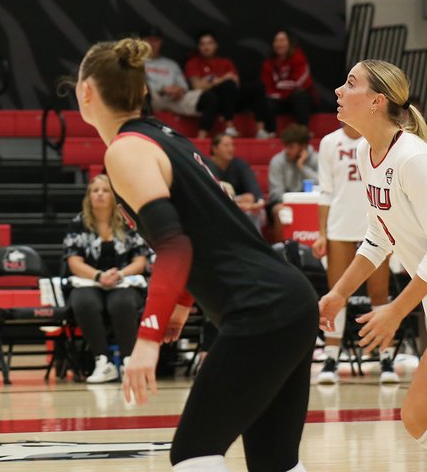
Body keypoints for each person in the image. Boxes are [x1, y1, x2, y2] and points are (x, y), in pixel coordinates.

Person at [74, 37, 318, 472]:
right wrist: (183, 303)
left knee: (194, 454)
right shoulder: (168, 137)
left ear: (85, 92)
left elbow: (175, 245)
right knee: (274, 461)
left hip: (260, 308)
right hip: (290, 301)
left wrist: (145, 342)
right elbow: (204, 228)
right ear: (143, 91)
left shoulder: (126, 150)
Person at [320, 60, 427, 467]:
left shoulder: (414, 159)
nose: (338, 91)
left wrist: (396, 311)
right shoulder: (367, 151)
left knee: (419, 418)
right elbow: (379, 237)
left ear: (377, 101)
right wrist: (339, 294)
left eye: (350, 83)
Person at [311, 121, 395, 385]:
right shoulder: (328, 142)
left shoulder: (379, 135)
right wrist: (322, 232)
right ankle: (331, 358)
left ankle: (386, 357)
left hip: (375, 226)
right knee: (337, 293)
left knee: (379, 293)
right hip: (339, 227)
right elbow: (325, 190)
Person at [62, 173, 151, 385]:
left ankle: (129, 360)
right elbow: (73, 262)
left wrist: (119, 274)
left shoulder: (129, 221)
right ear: (88, 197)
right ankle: (103, 362)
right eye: (95, 191)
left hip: (125, 280)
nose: (100, 194)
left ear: (114, 196)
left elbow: (141, 261)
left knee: (121, 302)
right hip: (89, 280)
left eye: (105, 191)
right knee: (84, 302)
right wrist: (99, 276)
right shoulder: (78, 223)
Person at [184, 31, 241, 139]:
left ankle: (230, 127)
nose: (206, 47)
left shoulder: (226, 62)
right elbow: (197, 86)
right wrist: (223, 79)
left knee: (229, 86)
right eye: (203, 44)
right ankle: (201, 138)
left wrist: (211, 82)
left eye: (209, 43)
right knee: (212, 98)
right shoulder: (193, 63)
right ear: (198, 46)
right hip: (204, 99)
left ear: (215, 45)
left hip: (227, 98)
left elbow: (236, 83)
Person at [257, 29, 313, 139]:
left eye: (282, 40)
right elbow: (268, 86)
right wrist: (279, 92)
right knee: (266, 99)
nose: (279, 44)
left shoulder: (299, 58)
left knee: (299, 95)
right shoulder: (268, 63)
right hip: (280, 100)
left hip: (297, 98)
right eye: (276, 41)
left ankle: (303, 132)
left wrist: (279, 86)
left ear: (289, 43)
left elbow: (299, 82)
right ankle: (270, 133)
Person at [266, 124, 318, 238]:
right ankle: (281, 251)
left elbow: (322, 183)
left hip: (310, 201)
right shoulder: (277, 161)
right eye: (285, 146)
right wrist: (295, 202)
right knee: (280, 211)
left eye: (291, 147)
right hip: (283, 202)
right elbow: (276, 194)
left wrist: (302, 167)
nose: (286, 151)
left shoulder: (316, 158)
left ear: (303, 147)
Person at [205, 134, 266, 231]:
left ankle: (255, 243)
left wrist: (259, 202)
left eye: (232, 145)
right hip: (216, 203)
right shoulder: (205, 166)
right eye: (226, 145)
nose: (231, 149)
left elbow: (253, 187)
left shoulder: (240, 164)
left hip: (239, 203)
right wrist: (235, 203)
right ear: (214, 148)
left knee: (251, 201)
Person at [140, 28, 202, 121]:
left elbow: (184, 86)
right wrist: (162, 89)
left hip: (174, 99)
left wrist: (178, 90)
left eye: (156, 40)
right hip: (153, 99)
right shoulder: (137, 62)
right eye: (149, 40)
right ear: (142, 41)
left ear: (161, 42)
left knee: (203, 96)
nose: (153, 44)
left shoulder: (171, 64)